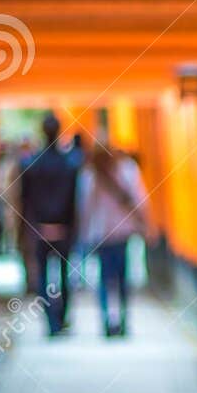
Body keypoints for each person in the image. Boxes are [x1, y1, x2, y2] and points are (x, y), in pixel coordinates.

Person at [17, 112, 83, 336]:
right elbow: (75, 200)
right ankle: (61, 317)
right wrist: (74, 227)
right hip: (63, 228)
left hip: (40, 227)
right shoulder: (70, 165)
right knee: (64, 275)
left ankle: (51, 322)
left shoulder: (31, 165)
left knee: (43, 275)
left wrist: (26, 229)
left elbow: (24, 201)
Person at [78, 141, 151, 337]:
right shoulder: (127, 169)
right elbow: (140, 198)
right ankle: (124, 319)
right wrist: (146, 224)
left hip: (101, 233)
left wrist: (84, 233)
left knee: (104, 278)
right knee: (122, 277)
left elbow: (85, 206)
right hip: (123, 231)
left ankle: (106, 321)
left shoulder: (90, 174)